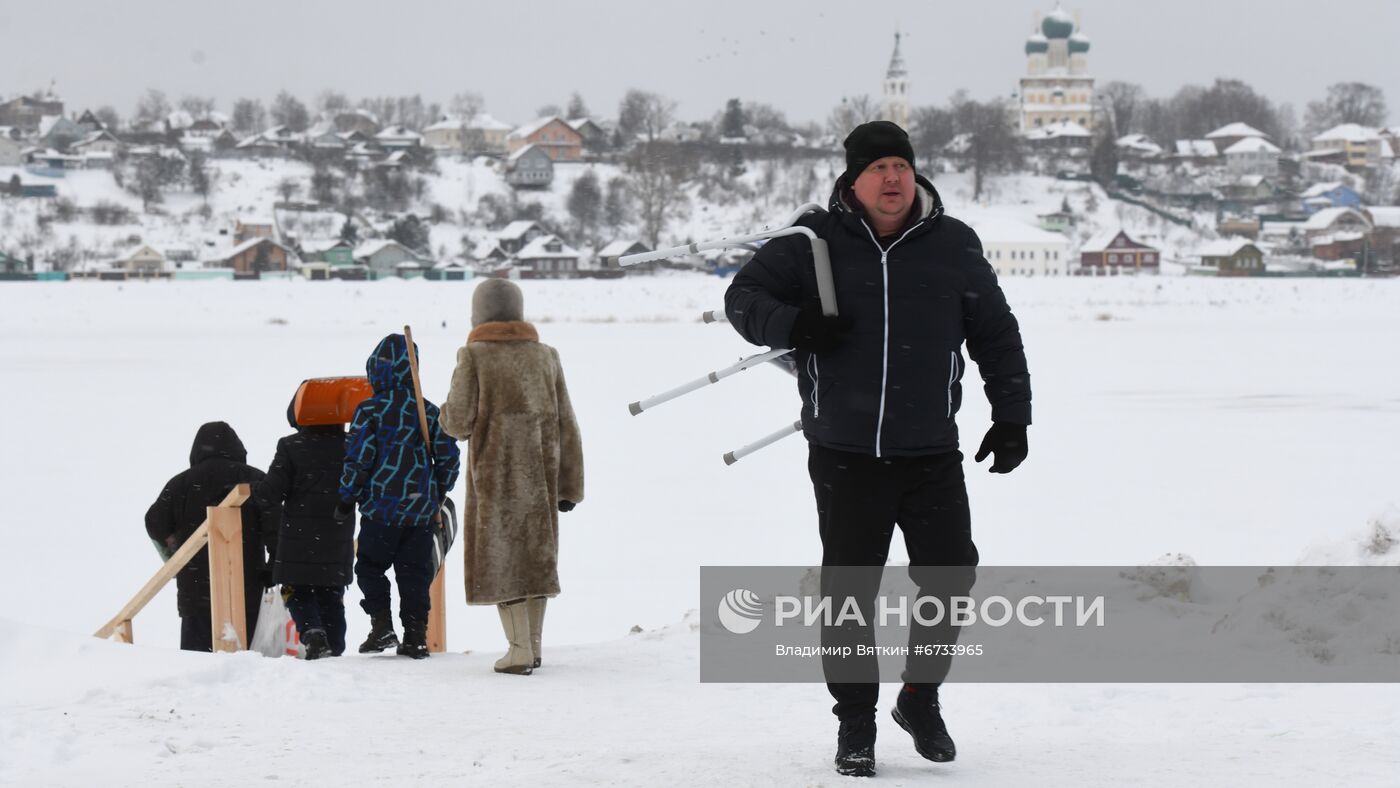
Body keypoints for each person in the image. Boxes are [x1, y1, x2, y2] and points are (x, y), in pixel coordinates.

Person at [724, 120, 1031, 777]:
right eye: (878, 168)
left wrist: (1012, 417)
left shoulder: (950, 245)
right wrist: (796, 323)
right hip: (845, 450)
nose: (893, 178)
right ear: (853, 180)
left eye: (901, 166)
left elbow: (997, 332)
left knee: (950, 576)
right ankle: (855, 724)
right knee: (849, 595)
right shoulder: (813, 241)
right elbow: (742, 298)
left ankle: (920, 698)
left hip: (930, 451)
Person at [440, 279, 584, 676]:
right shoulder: (546, 357)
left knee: (504, 561)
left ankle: (518, 650)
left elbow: (457, 421)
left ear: (478, 313)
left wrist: (441, 410)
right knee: (535, 560)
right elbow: (567, 423)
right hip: (541, 475)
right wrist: (570, 485)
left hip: (495, 478)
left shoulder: (474, 356)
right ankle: (533, 647)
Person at [338, 334, 461, 659]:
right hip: (420, 512)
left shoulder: (369, 412)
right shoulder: (429, 412)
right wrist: (438, 491)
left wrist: (346, 496)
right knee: (414, 574)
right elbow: (448, 456)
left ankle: (382, 626)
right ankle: (416, 636)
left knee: (369, 567)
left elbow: (359, 457)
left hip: (380, 511)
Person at [145, 422, 272, 652]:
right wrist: (274, 565)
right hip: (248, 588)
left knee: (199, 669)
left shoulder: (179, 485)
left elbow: (154, 522)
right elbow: (277, 523)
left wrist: (174, 555)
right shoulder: (255, 478)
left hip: (196, 593)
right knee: (253, 666)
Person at [254, 387, 355, 660]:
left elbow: (270, 494)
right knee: (331, 593)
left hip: (298, 539)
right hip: (338, 535)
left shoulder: (290, 446)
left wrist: (256, 488)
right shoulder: (352, 445)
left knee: (296, 590)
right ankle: (334, 646)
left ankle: (312, 634)